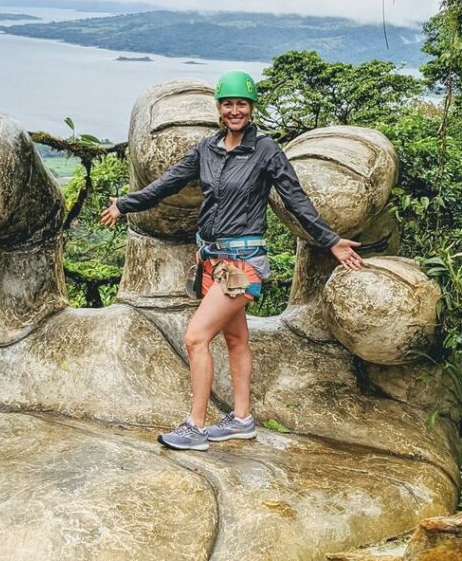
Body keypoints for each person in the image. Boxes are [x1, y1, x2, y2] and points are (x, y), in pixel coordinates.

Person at [99, 70, 363, 451]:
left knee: (195, 338)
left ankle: (195, 426)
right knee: (236, 338)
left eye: (241, 103)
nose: (235, 110)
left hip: (242, 263)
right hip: (212, 260)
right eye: (228, 103)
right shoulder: (207, 149)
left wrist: (330, 241)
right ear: (219, 109)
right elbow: (168, 183)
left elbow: (295, 200)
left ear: (251, 108)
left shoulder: (265, 151)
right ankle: (241, 419)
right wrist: (125, 204)